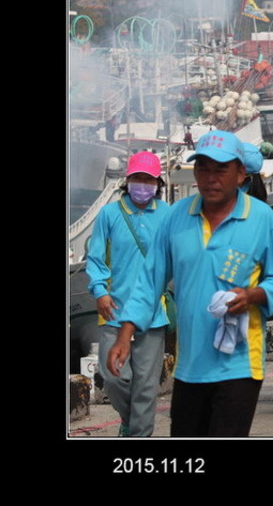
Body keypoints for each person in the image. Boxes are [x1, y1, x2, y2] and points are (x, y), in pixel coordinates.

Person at [107, 131, 273, 437]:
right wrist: (124, 334)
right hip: (190, 366)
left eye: (221, 169)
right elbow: (150, 280)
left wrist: (252, 295)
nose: (211, 178)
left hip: (240, 364)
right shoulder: (176, 217)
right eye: (203, 169)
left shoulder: (262, 219)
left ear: (240, 174)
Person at [87, 151, 171, 437]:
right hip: (113, 310)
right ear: (128, 180)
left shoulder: (167, 214)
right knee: (114, 377)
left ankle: (137, 436)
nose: (142, 184)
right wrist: (99, 291)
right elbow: (95, 258)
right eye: (137, 178)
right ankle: (130, 420)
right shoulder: (109, 214)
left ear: (157, 183)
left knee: (146, 386)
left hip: (152, 313)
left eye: (149, 179)